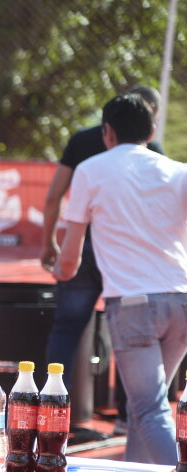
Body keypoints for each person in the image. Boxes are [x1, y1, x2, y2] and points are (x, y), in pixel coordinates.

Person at [55, 92, 187, 466]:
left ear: (107, 131)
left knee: (148, 408)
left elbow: (71, 256)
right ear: (152, 129)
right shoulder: (178, 170)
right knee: (149, 403)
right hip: (180, 300)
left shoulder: (91, 170)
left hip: (132, 306)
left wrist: (60, 271)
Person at [40, 85, 162, 442]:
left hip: (82, 249)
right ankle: (128, 416)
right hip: (125, 255)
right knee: (134, 335)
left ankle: (51, 407)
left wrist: (49, 242)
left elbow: (53, 196)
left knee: (65, 329)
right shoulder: (149, 150)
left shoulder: (82, 142)